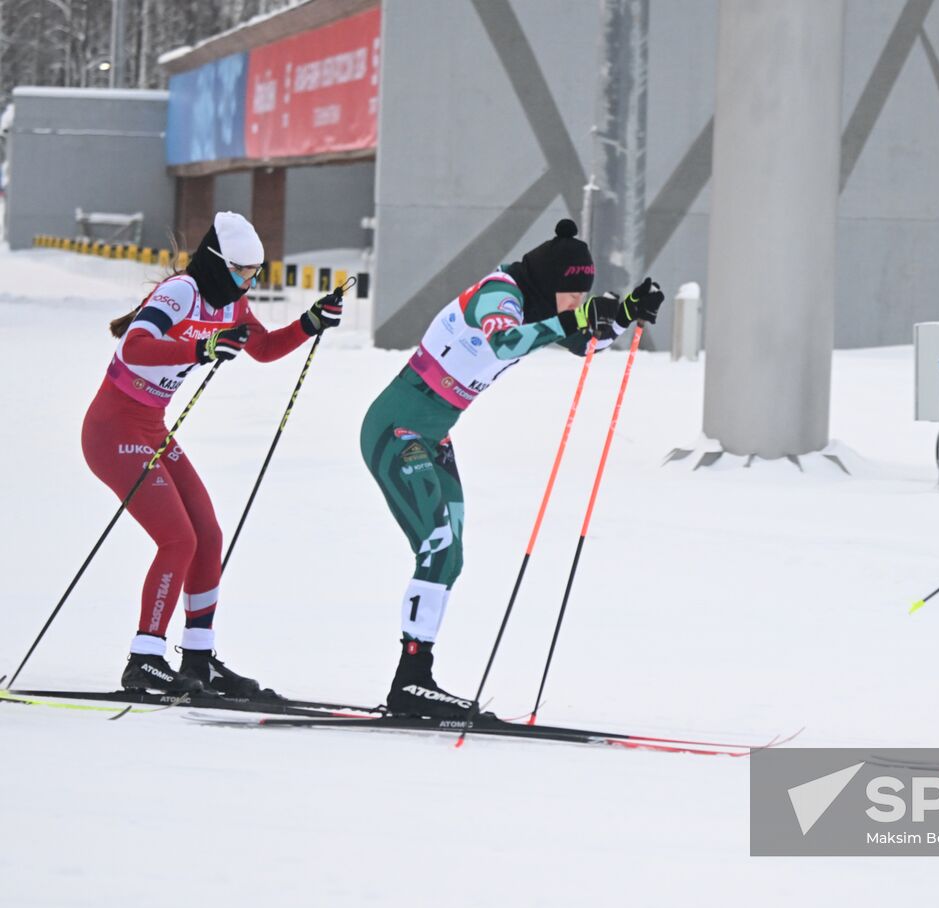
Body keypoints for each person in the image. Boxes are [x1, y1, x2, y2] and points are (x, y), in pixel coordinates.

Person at [360, 219, 663, 718]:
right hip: (396, 430)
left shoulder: (539, 303)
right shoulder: (500, 295)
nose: (572, 303)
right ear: (549, 282)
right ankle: (410, 683)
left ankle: (415, 679)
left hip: (432, 436)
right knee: (437, 546)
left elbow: (585, 341)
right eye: (570, 293)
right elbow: (505, 342)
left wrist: (623, 312)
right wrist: (578, 317)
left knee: (450, 557)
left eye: (579, 295)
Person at [84, 211, 345, 695]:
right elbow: (135, 348)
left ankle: (198, 659)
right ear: (213, 262)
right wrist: (202, 349)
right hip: (112, 430)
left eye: (254, 273)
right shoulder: (181, 292)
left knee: (207, 534)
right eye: (240, 271)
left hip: (151, 428)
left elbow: (263, 349)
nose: (248, 281)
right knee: (177, 540)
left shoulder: (232, 304)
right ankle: (145, 658)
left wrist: (310, 323)